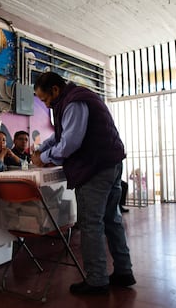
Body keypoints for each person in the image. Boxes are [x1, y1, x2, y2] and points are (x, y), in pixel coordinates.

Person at [32, 72, 135, 295]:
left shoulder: (74, 102)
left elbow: (70, 143)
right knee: (111, 219)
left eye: (44, 99)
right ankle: (124, 271)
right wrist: (42, 148)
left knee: (91, 224)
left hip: (95, 167)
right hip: (110, 163)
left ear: (55, 90)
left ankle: (97, 280)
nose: (45, 104)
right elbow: (61, 135)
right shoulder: (74, 99)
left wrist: (45, 157)